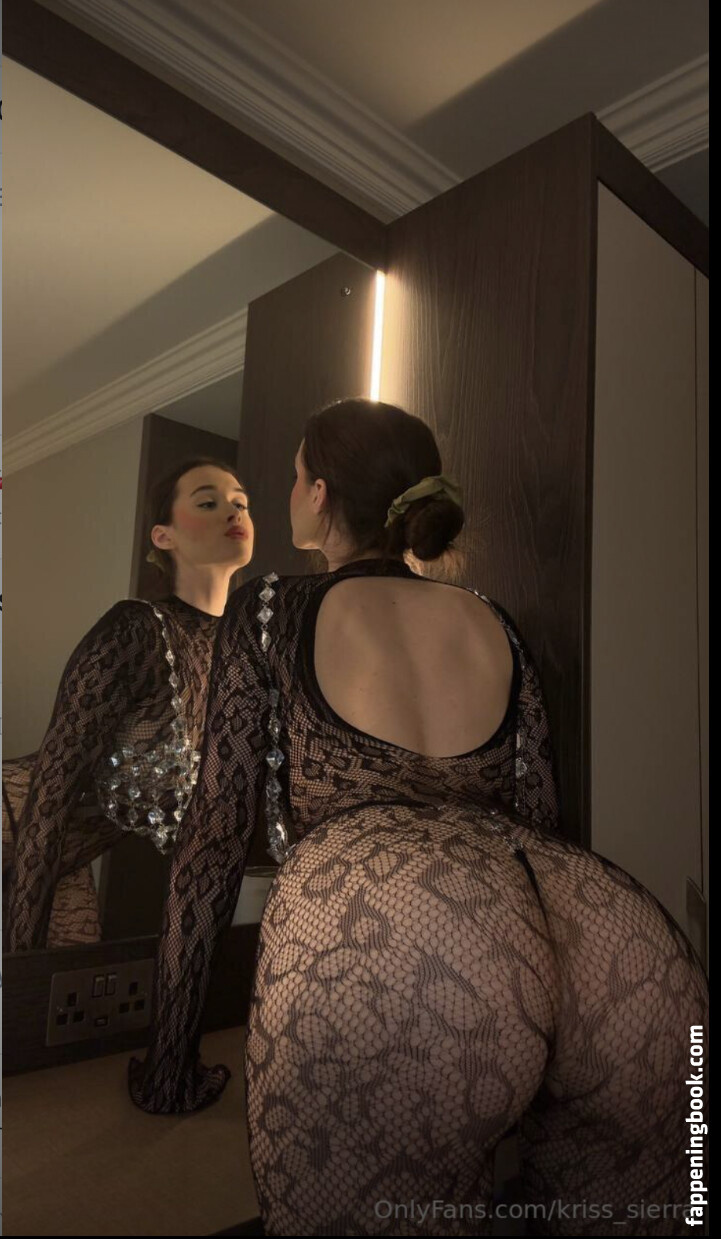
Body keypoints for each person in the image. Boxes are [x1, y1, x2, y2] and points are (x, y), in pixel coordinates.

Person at [130, 402, 706, 1236]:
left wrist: (170, 1064)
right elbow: (540, 815)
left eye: (294, 476)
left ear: (319, 495)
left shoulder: (270, 607)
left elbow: (215, 837)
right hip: (616, 941)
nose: (286, 493)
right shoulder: (491, 619)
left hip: (411, 945)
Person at [7, 458, 254, 954]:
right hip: (19, 818)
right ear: (164, 536)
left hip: (67, 858)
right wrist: (19, 970)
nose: (233, 512)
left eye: (241, 503)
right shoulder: (135, 629)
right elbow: (51, 797)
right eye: (208, 502)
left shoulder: (244, 652)